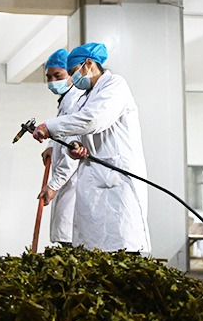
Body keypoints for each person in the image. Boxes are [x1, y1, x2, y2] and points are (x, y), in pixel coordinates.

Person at [32, 42, 151, 253]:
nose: (73, 79)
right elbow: (80, 136)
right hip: (94, 180)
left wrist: (48, 127)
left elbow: (93, 120)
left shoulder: (115, 85)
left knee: (122, 243)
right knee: (94, 247)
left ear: (88, 64)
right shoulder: (86, 97)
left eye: (72, 72)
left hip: (118, 178)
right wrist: (75, 147)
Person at [38, 48, 83, 247]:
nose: (53, 81)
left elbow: (72, 150)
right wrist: (51, 145)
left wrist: (53, 185)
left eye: (58, 75)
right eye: (49, 77)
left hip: (72, 183)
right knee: (65, 239)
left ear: (71, 75)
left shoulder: (74, 100)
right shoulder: (66, 100)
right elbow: (61, 130)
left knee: (71, 243)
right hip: (66, 183)